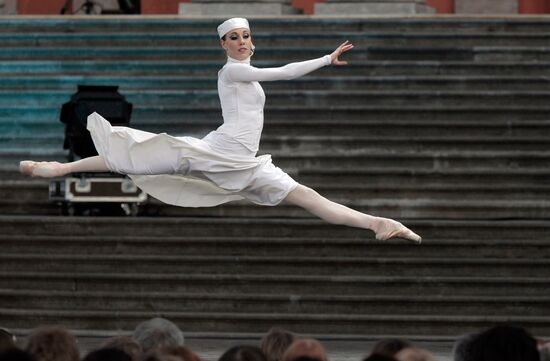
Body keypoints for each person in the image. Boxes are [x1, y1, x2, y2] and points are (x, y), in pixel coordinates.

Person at [19, 17, 421, 244]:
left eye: (245, 36)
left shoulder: (245, 72)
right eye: (233, 38)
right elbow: (280, 72)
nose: (241, 42)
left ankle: (377, 223)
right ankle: (58, 169)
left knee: (307, 197)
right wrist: (325, 59)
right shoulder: (233, 71)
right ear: (224, 46)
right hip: (214, 152)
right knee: (134, 155)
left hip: (245, 162)